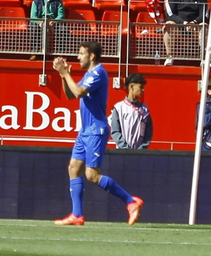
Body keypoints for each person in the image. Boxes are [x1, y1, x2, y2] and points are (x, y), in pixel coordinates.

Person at [52, 42, 145, 226]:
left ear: (92, 56)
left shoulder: (98, 73)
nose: (78, 57)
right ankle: (77, 215)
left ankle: (131, 202)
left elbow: (78, 92)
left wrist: (66, 73)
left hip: (96, 130)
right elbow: (71, 95)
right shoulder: (89, 74)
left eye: (81, 53)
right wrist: (63, 77)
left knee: (92, 175)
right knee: (73, 168)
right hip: (85, 131)